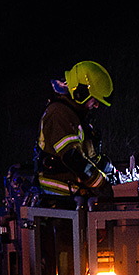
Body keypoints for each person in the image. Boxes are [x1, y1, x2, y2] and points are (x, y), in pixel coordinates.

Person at [36, 60, 114, 198]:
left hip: (73, 193)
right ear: (81, 92)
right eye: (94, 100)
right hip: (59, 197)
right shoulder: (59, 113)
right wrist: (101, 183)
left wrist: (108, 169)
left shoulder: (74, 115)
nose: (96, 106)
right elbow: (72, 158)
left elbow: (87, 155)